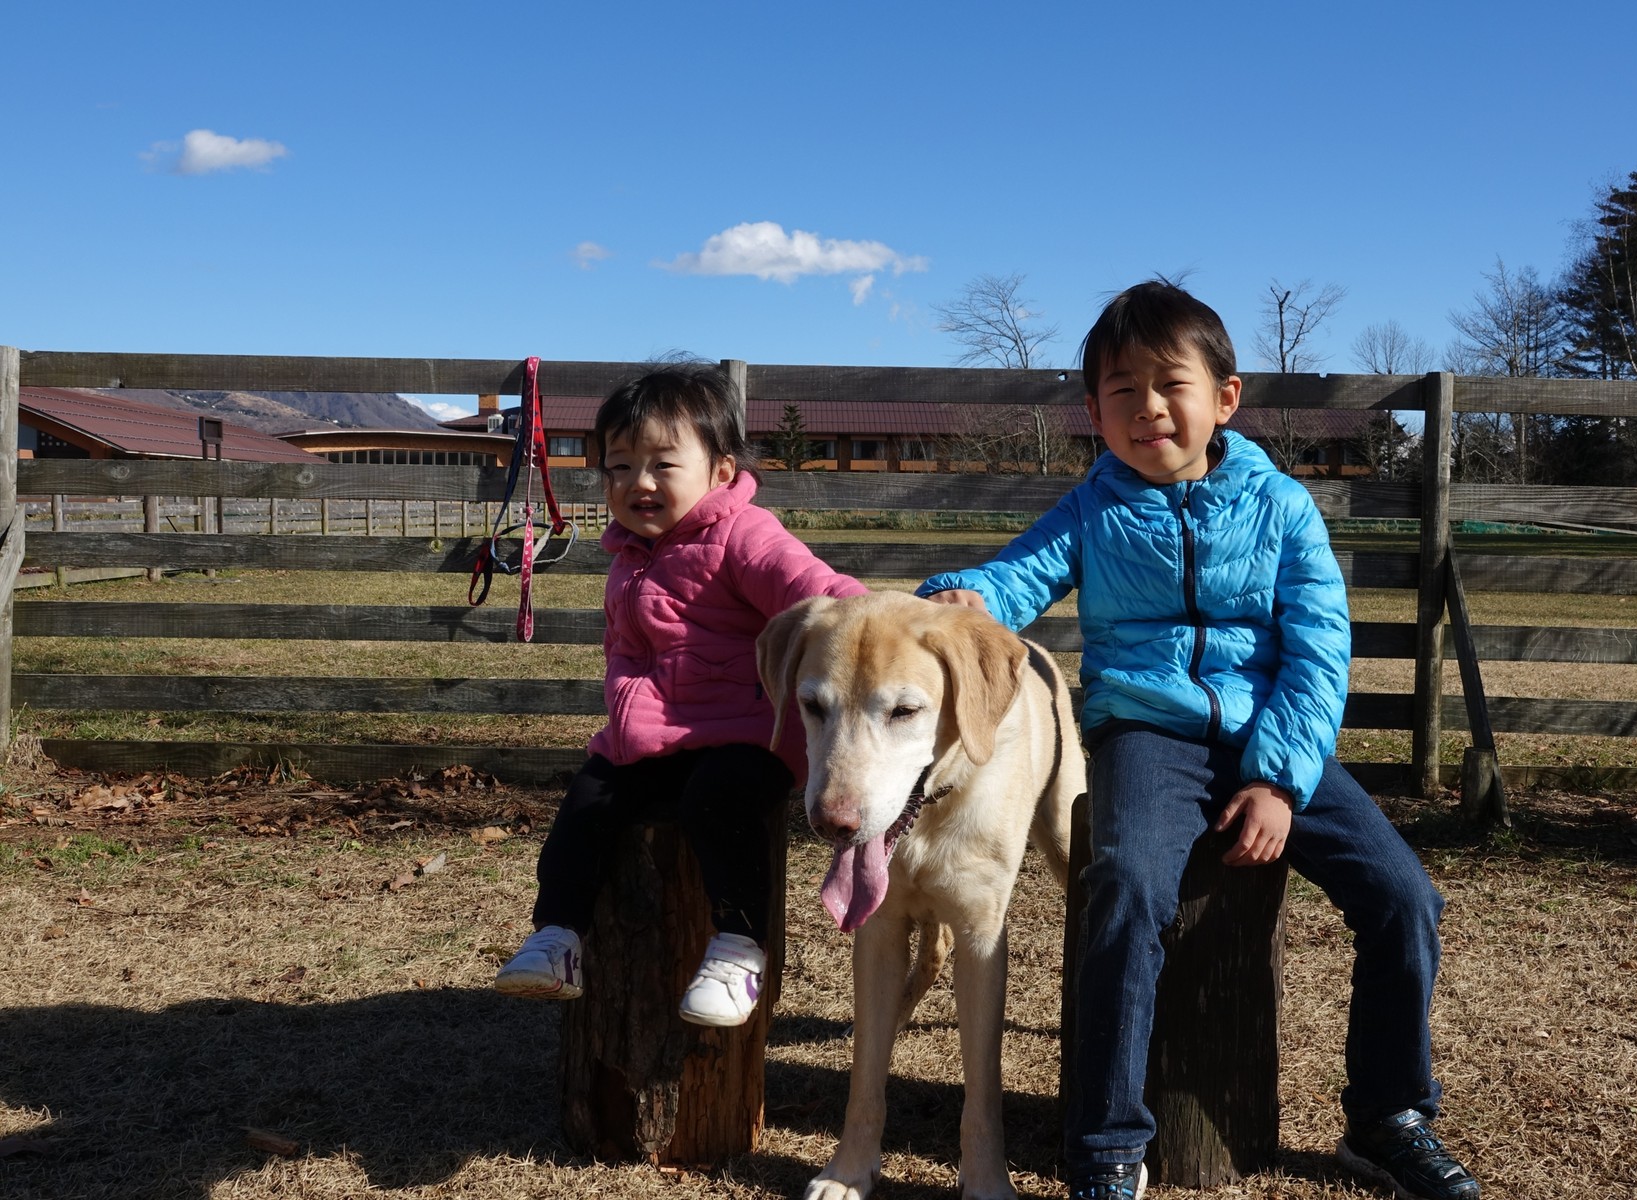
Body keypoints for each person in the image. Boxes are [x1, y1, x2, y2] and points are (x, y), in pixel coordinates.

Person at [919, 280, 1480, 1200]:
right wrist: (964, 600)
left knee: (1402, 896)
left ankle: (1387, 1116)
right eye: (1120, 389)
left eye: (1168, 384)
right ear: (1093, 412)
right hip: (1147, 732)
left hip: (1272, 729)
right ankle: (1106, 1145)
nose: (1146, 407)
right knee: (1127, 887)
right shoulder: (1091, 510)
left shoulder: (1281, 506)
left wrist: (1277, 782)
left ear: (1223, 398)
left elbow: (1316, 651)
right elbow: (1017, 576)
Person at [494, 363, 865, 1027]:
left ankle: (739, 948)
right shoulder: (630, 553)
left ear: (721, 471)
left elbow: (815, 589)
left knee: (716, 804)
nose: (638, 483)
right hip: (650, 739)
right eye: (619, 467)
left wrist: (876, 617)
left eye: (663, 465)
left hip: (746, 738)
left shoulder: (744, 535)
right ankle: (557, 935)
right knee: (586, 803)